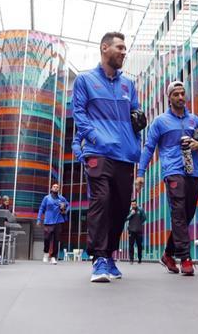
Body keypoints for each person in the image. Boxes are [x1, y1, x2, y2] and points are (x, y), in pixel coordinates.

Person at [72, 31, 141, 283]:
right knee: (101, 200)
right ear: (104, 48)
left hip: (125, 154)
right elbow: (79, 113)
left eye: (125, 48)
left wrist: (138, 119)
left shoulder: (129, 85)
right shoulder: (85, 80)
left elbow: (135, 113)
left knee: (121, 207)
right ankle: (99, 258)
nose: (124, 52)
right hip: (98, 151)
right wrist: (96, 138)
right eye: (120, 47)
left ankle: (109, 254)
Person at [135, 81, 198, 276]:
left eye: (182, 93)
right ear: (169, 98)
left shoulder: (195, 120)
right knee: (178, 212)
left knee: (187, 214)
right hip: (172, 171)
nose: (180, 97)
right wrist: (140, 174)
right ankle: (185, 258)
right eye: (176, 94)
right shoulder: (160, 122)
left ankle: (168, 254)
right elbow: (148, 148)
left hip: (193, 172)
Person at [37, 183, 69, 265]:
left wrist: (65, 210)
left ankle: (53, 257)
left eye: (57, 187)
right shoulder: (46, 198)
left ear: (59, 189)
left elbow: (68, 205)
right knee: (47, 238)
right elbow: (41, 208)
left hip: (58, 221)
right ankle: (46, 253)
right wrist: (39, 219)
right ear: (51, 188)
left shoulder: (61, 198)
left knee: (56, 240)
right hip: (48, 221)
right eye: (54, 187)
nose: (56, 188)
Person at [126, 199, 146, 264]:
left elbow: (144, 218)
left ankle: (139, 259)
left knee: (139, 245)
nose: (133, 205)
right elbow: (125, 219)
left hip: (139, 231)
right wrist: (131, 214)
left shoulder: (141, 210)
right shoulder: (129, 210)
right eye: (132, 204)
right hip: (131, 231)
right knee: (131, 245)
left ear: (136, 204)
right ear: (131, 205)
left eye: (134, 204)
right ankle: (131, 260)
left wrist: (139, 223)